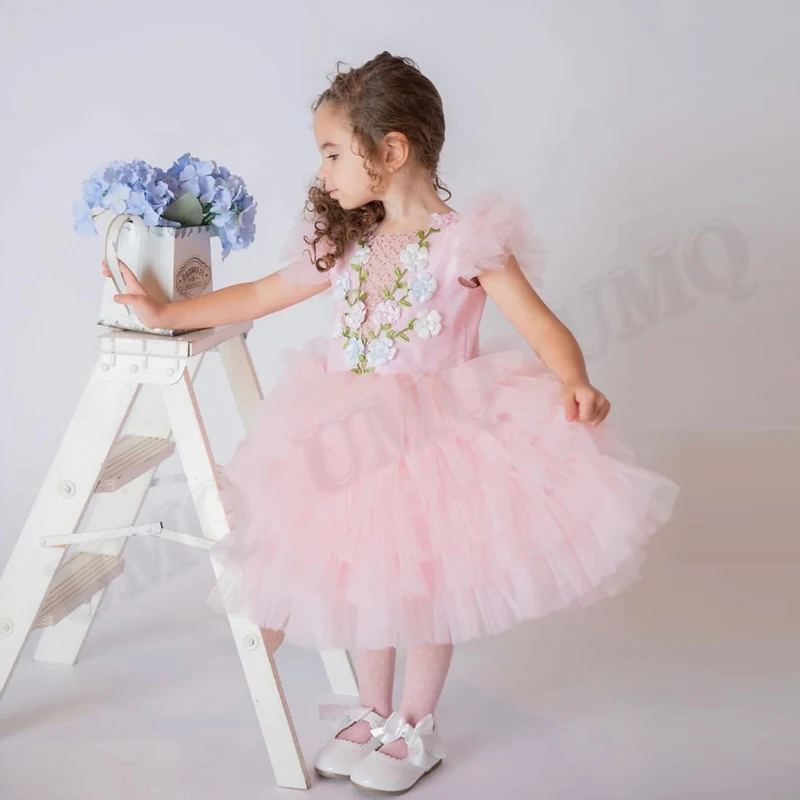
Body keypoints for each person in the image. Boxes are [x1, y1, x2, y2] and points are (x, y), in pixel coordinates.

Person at [104, 51, 679, 796]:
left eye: (333, 153)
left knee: (428, 576)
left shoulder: (465, 242)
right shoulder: (347, 239)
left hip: (439, 436)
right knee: (366, 572)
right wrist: (168, 313)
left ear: (392, 151)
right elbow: (259, 295)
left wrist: (574, 380)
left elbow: (540, 325)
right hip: (350, 436)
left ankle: (415, 722)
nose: (323, 173)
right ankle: (373, 712)